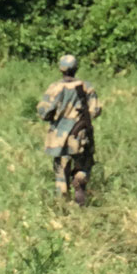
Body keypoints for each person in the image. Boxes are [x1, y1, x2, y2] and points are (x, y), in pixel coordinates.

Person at [37, 54, 101, 206]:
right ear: (76, 68)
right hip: (81, 136)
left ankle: (63, 205)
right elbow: (96, 110)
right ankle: (80, 198)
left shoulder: (55, 88)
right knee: (82, 167)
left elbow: (43, 112)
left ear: (61, 69)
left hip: (60, 138)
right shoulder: (87, 87)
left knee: (61, 173)